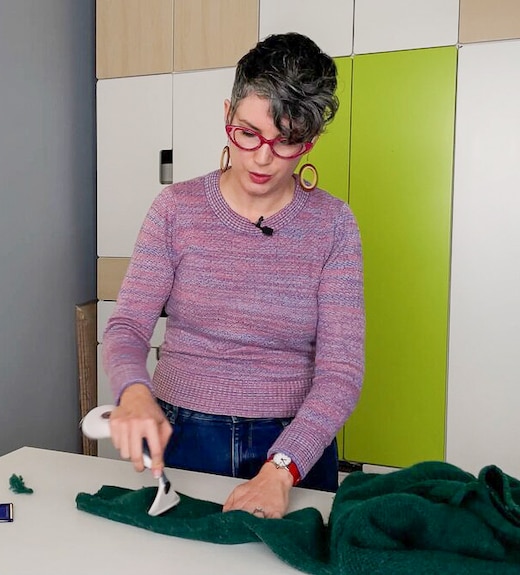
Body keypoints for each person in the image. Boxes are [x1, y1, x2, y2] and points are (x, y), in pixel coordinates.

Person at [101, 32, 365, 520]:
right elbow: (127, 327)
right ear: (228, 114)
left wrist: (282, 468)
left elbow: (341, 371)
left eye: (287, 142)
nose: (263, 158)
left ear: (311, 139)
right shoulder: (176, 209)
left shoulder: (333, 225)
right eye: (248, 133)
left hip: (293, 444)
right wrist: (134, 391)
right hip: (183, 433)